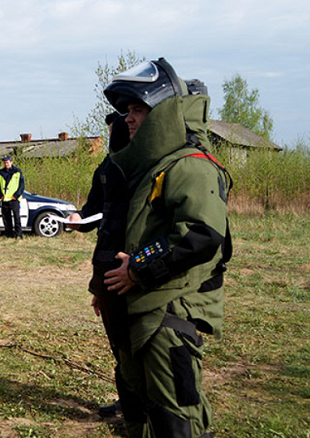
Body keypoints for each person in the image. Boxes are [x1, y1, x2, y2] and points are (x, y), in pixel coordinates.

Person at [91, 58, 231, 438]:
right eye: (128, 110)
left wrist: (137, 268)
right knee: (136, 408)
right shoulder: (149, 165)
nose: (129, 119)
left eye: (139, 109)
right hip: (137, 307)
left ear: (164, 112)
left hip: (169, 308)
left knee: (176, 417)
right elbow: (122, 230)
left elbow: (201, 236)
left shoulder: (191, 166)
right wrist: (104, 287)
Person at [66, 111, 130, 419]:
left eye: (113, 128)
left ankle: (138, 406)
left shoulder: (140, 165)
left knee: (133, 341)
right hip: (105, 262)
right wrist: (78, 219)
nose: (112, 134)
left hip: (131, 264)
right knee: (118, 341)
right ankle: (127, 401)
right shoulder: (104, 167)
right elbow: (93, 211)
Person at [0, 155, 25, 239]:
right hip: (5, 198)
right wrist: (0, 195)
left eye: (7, 162)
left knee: (16, 217)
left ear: (11, 162)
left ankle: (18, 234)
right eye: (5, 162)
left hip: (14, 199)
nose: (6, 164)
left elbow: (21, 186)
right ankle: (9, 234)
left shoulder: (17, 172)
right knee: (6, 218)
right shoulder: (1, 172)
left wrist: (16, 196)